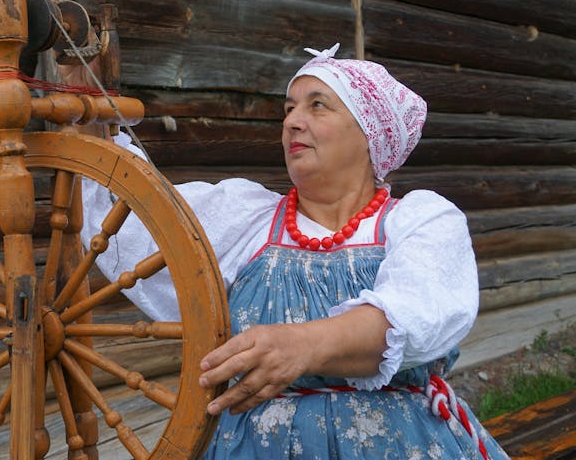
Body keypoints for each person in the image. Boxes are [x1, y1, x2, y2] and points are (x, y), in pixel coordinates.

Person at [66, 43, 510, 459]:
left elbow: (418, 314)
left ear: (369, 132)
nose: (293, 120)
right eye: (289, 108)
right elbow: (130, 215)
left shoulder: (420, 221)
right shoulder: (246, 219)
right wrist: (87, 114)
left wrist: (303, 345)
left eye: (317, 105)